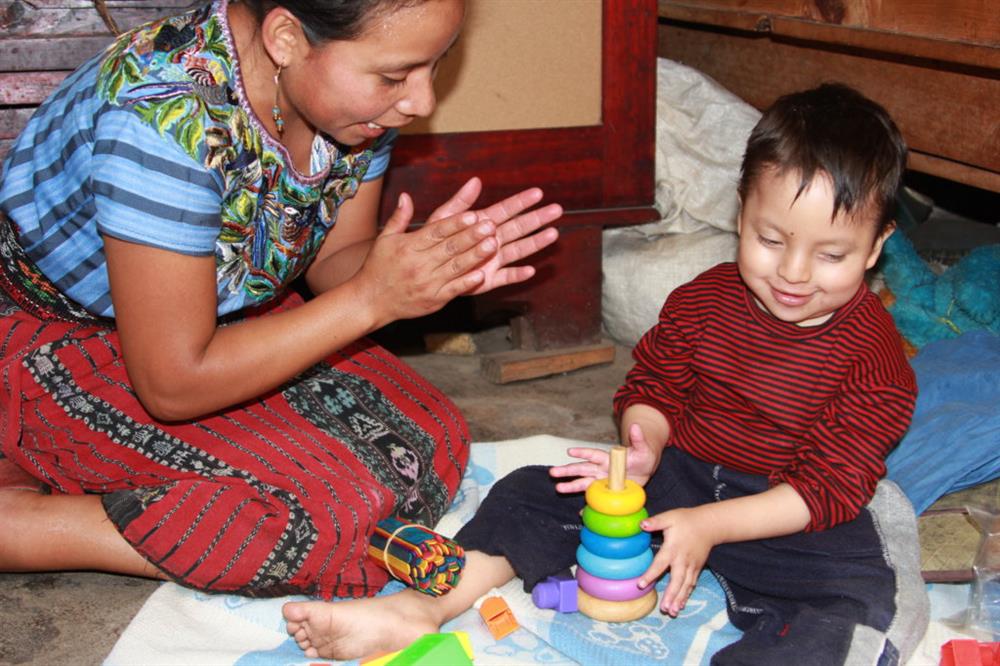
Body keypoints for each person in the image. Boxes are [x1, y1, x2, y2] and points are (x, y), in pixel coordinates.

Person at [282, 82, 924, 664]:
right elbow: (653, 386)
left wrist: (710, 528)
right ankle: (426, 607)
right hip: (683, 480)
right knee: (535, 493)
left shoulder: (875, 360)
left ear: (874, 247)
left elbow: (827, 488)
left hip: (791, 517)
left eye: (831, 254)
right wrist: (644, 444)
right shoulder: (703, 300)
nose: (793, 273)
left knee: (863, 605)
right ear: (740, 215)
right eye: (772, 240)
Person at [0, 0, 561, 600]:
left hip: (219, 321)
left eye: (434, 66)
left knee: (430, 444)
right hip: (62, 336)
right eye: (395, 76)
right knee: (315, 525)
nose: (420, 102)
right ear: (287, 37)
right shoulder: (163, 119)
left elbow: (333, 264)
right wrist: (372, 301)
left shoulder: (349, 103)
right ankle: (25, 516)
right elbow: (170, 384)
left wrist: (423, 273)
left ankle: (66, 459)